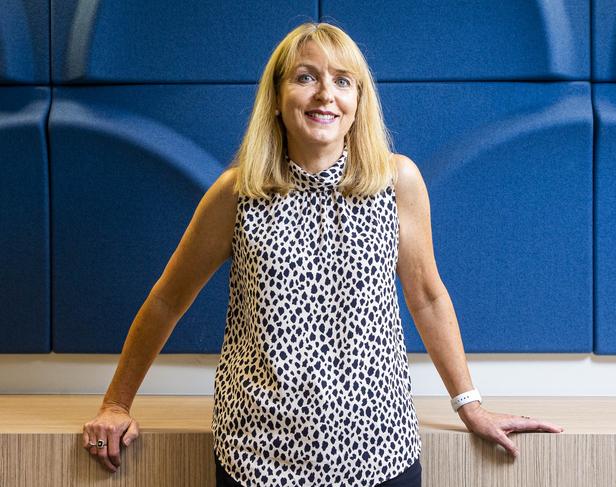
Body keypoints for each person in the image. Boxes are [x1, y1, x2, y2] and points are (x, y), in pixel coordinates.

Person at [82, 21, 564, 486]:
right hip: (257, 456)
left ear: (358, 101)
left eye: (342, 81)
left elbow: (428, 298)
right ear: (275, 98)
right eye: (305, 77)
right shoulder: (237, 193)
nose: (324, 94)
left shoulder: (398, 181)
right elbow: (167, 300)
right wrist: (117, 404)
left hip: (381, 452)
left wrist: (470, 404)